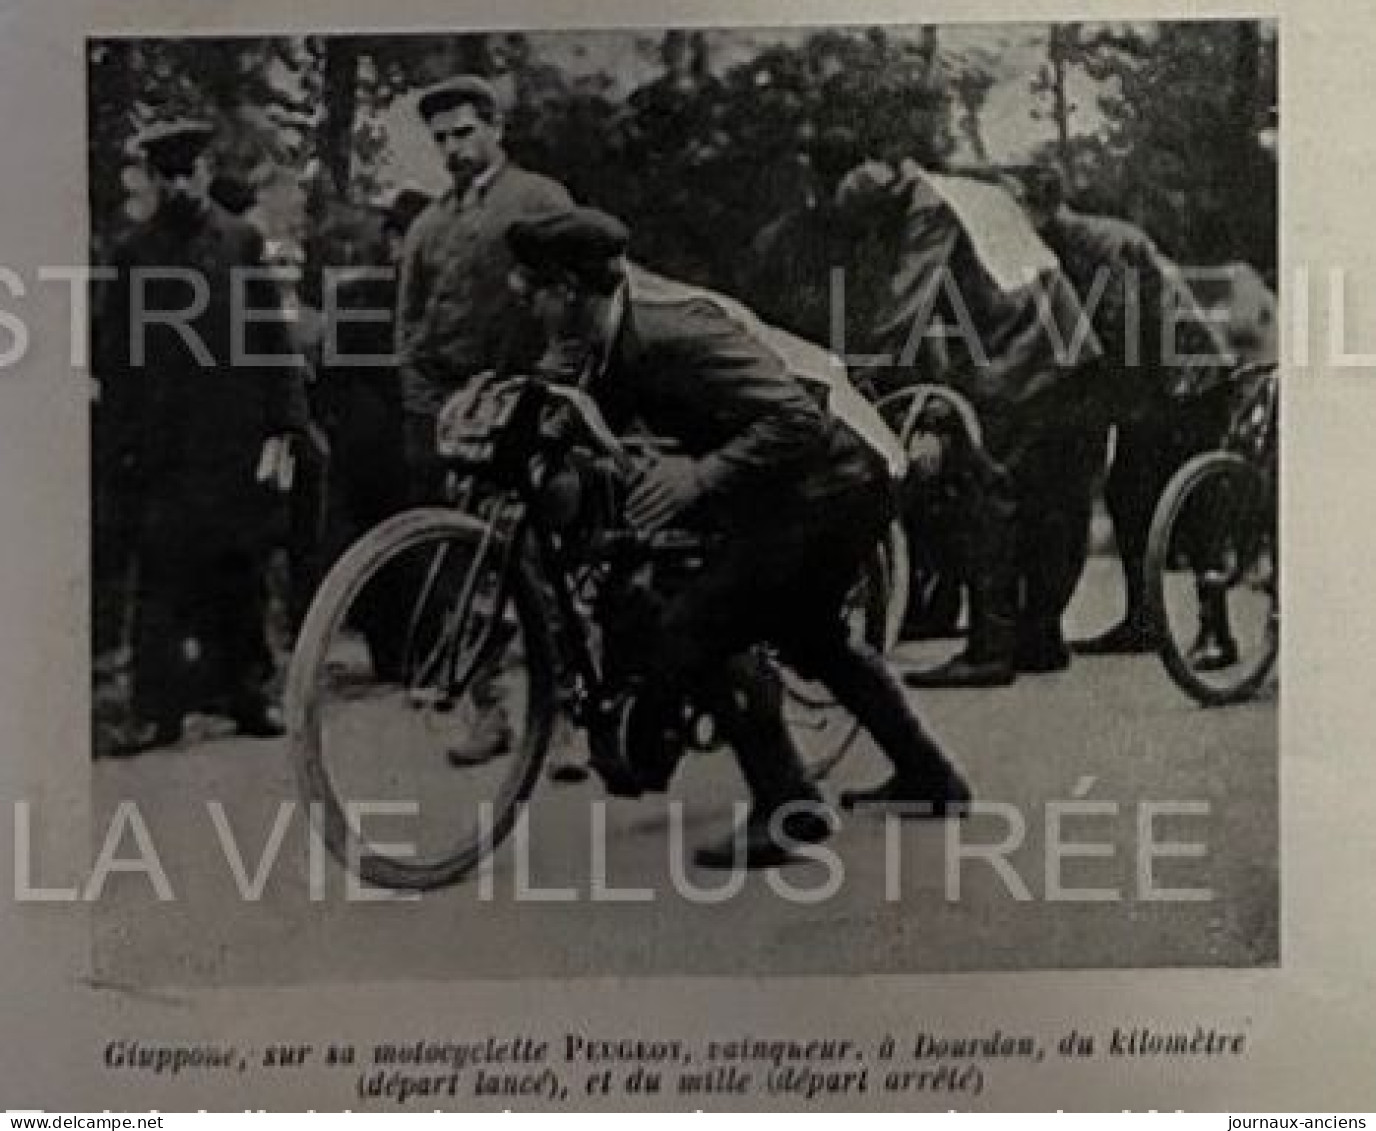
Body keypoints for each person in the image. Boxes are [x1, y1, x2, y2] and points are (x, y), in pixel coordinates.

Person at [502, 206, 972, 869]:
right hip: (801, 475)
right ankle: (931, 777)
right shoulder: (597, 327)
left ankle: (790, 805)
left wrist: (698, 478)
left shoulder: (672, 331)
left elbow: (794, 420)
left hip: (839, 471)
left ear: (570, 292)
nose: (525, 305)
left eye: (534, 291)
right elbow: (552, 399)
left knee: (706, 617)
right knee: (812, 637)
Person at [844, 158, 1105, 687]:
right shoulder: (977, 192)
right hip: (1071, 348)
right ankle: (1040, 634)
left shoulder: (928, 205)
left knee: (985, 494)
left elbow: (905, 307)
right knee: (1051, 500)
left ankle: (990, 647)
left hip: (1020, 359)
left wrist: (855, 376)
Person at [93, 119, 310, 754]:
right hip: (164, 446)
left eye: (191, 172)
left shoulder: (240, 242)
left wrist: (286, 427)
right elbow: (117, 355)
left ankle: (249, 694)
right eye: (169, 174)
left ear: (205, 173)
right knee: (161, 577)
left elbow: (273, 340)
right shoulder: (135, 253)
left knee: (242, 570)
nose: (182, 184)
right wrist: (122, 444)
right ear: (155, 180)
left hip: (233, 438)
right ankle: (155, 709)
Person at [396, 76, 573, 760]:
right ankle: (489, 712)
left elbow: (576, 303)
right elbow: (410, 329)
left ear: (496, 128)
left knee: (545, 565)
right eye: (441, 138)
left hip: (530, 407)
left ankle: (559, 720)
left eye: (464, 132)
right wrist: (427, 414)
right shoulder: (429, 224)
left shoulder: (538, 199)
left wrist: (549, 398)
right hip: (456, 418)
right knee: (465, 568)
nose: (453, 148)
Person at [1009, 165, 1237, 663]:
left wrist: (1093, 409)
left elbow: (1122, 332)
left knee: (1191, 498)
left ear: (1042, 204)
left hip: (1187, 376)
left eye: (1016, 208)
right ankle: (1144, 620)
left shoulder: (1098, 244)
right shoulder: (1060, 249)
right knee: (1128, 494)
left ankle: (1215, 630)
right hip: (1154, 379)